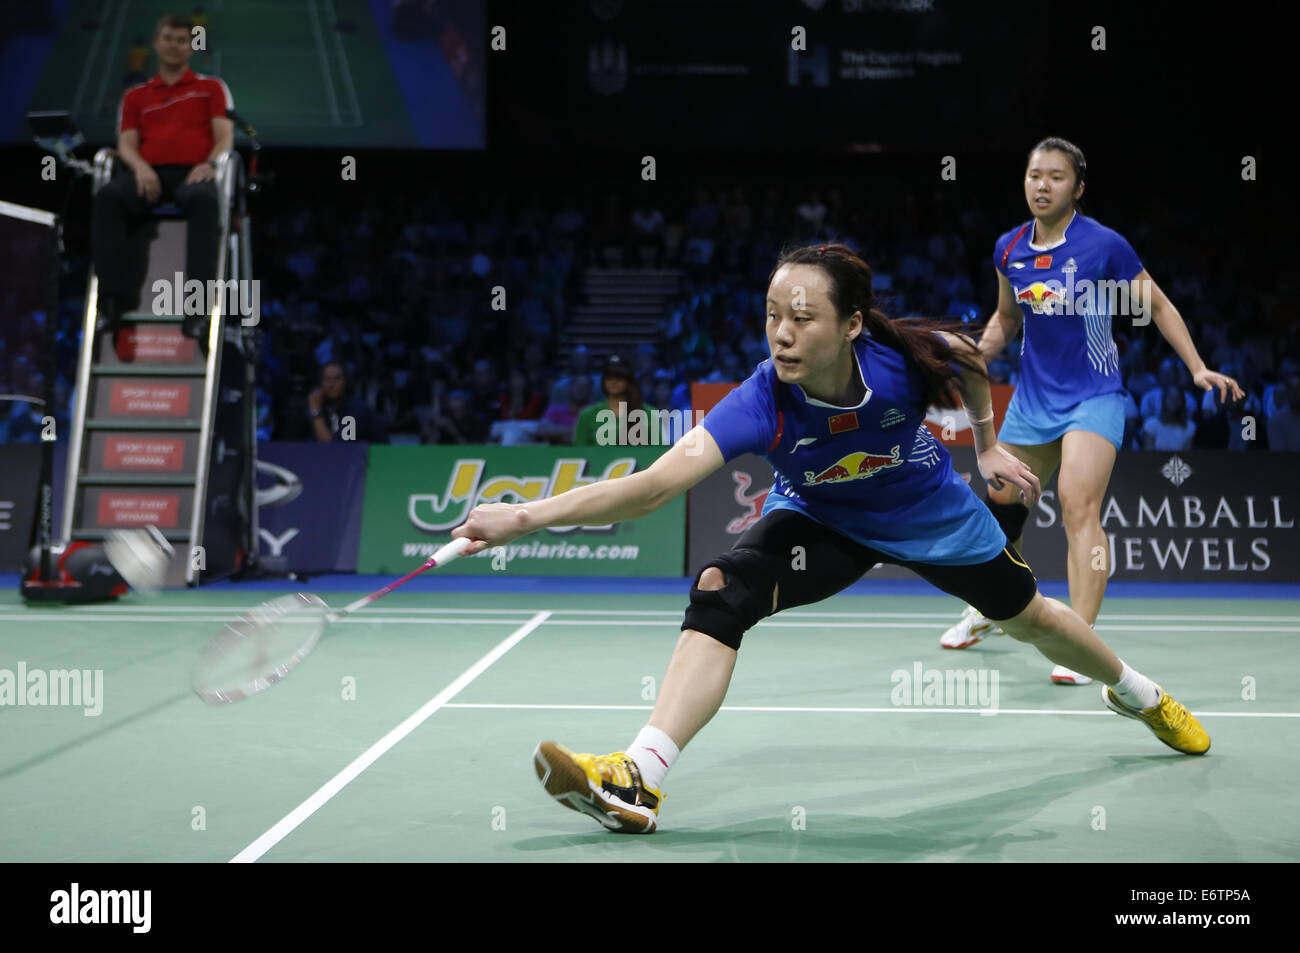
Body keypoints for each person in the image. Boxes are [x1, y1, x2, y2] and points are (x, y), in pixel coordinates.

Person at [452, 243, 1211, 835]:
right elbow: (650, 487)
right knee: (722, 588)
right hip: (822, 519)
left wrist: (984, 446)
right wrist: (518, 518)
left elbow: (973, 359)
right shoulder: (761, 400)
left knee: (1031, 619)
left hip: (933, 518)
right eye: (773, 313)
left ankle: (1137, 693)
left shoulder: (903, 360)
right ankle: (639, 774)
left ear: (849, 324)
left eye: (804, 316)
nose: (782, 332)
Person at [939, 137, 1242, 685]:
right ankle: (991, 605)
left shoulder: (1104, 245)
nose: (1042, 185)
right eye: (1034, 175)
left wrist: (1197, 367)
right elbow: (1007, 318)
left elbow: (1157, 303)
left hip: (1093, 396)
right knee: (1000, 510)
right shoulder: (1009, 248)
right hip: (1032, 401)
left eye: (1055, 176)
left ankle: (1080, 636)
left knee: (1079, 506)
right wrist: (974, 358)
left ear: (1077, 188)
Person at [93, 13, 235, 341]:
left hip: (192, 174)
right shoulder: (135, 96)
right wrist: (142, 168)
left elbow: (224, 137)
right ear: (157, 43)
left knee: (204, 201)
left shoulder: (211, 88)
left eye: (181, 40)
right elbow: (126, 144)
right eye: (168, 38)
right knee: (108, 198)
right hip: (148, 175)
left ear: (191, 47)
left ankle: (197, 311)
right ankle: (111, 304)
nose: (174, 46)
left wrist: (210, 164)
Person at [572, 355, 658, 446]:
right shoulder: (587, 415)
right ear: (603, 380)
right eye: (609, 377)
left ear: (629, 380)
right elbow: (579, 453)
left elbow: (659, 452)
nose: (614, 381)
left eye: (619, 377)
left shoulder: (649, 413)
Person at [308, 361, 389, 443]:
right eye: (327, 379)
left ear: (346, 382)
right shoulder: (323, 408)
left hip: (377, 455)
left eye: (337, 379)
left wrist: (316, 412)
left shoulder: (357, 410)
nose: (331, 384)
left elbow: (335, 449)